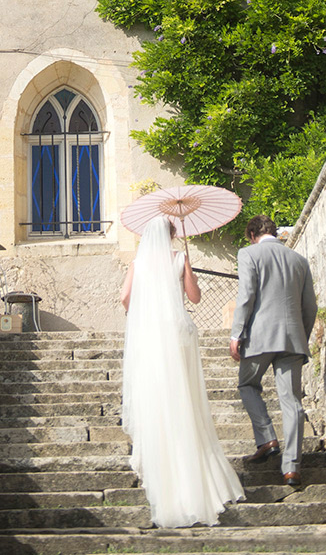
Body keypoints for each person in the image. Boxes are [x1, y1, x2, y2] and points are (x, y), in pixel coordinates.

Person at [121, 215, 244, 527]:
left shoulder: (138, 264)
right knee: (184, 399)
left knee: (157, 395)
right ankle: (192, 467)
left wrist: (143, 314)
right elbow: (195, 297)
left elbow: (125, 298)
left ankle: (159, 460)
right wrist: (187, 269)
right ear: (173, 236)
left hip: (150, 337)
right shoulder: (179, 258)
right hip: (177, 336)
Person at [229, 214, 318, 488]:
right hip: (293, 338)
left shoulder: (249, 253)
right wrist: (300, 335)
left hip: (260, 337)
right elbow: (310, 307)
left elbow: (247, 295)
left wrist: (236, 333)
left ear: (253, 234)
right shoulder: (299, 260)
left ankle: (267, 438)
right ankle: (291, 468)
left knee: (247, 384)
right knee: (292, 401)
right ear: (274, 232)